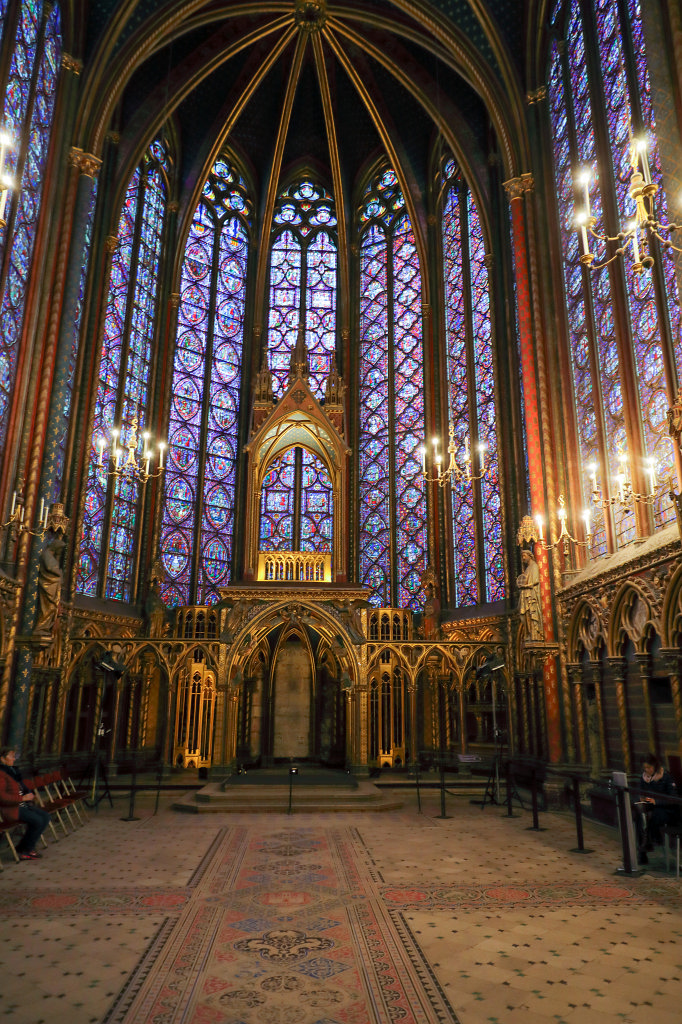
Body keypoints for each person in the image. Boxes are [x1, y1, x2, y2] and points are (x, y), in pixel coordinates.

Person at [0, 746, 50, 860]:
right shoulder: (1, 774)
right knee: (37, 820)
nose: (14, 759)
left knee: (45, 816)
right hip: (11, 808)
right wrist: (22, 798)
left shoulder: (13, 771)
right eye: (12, 756)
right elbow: (2, 797)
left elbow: (22, 786)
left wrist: (31, 794)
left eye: (14, 756)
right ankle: (26, 850)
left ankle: (23, 847)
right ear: (2, 759)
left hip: (22, 805)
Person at [635, 753, 678, 863]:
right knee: (640, 818)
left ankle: (648, 843)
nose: (647, 770)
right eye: (645, 768)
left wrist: (656, 801)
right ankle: (643, 851)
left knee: (652, 816)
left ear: (655, 766)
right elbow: (640, 790)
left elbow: (673, 799)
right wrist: (642, 798)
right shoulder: (644, 777)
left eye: (649, 768)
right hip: (650, 806)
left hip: (666, 809)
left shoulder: (666, 777)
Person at [34, 535, 66, 635]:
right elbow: (51, 569)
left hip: (52, 587)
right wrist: (60, 573)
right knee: (47, 608)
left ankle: (45, 627)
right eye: (60, 549)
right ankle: (41, 628)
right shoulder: (46, 555)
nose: (60, 552)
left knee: (52, 608)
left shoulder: (51, 557)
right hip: (47, 586)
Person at [517, 548, 544, 640]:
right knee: (523, 615)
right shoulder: (528, 568)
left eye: (524, 556)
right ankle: (529, 633)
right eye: (522, 556)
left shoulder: (534, 566)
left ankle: (535, 634)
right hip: (526, 593)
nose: (523, 558)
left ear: (530, 556)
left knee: (531, 613)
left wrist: (525, 586)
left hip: (531, 594)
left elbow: (535, 581)